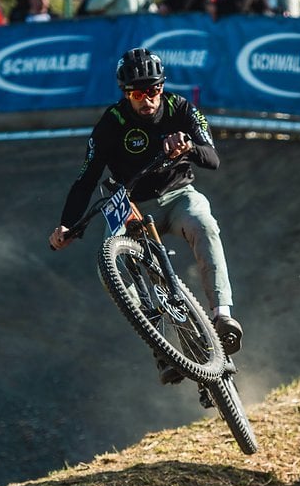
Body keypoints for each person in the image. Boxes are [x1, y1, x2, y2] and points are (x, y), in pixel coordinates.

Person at [48, 48, 243, 378]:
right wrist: (67, 225)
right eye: (137, 93)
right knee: (111, 270)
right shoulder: (111, 123)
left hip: (178, 194)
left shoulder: (180, 108)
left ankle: (222, 314)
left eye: (153, 90)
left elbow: (213, 158)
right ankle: (161, 347)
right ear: (125, 94)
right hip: (130, 205)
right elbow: (85, 179)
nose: (147, 99)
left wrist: (189, 148)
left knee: (204, 224)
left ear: (162, 87)